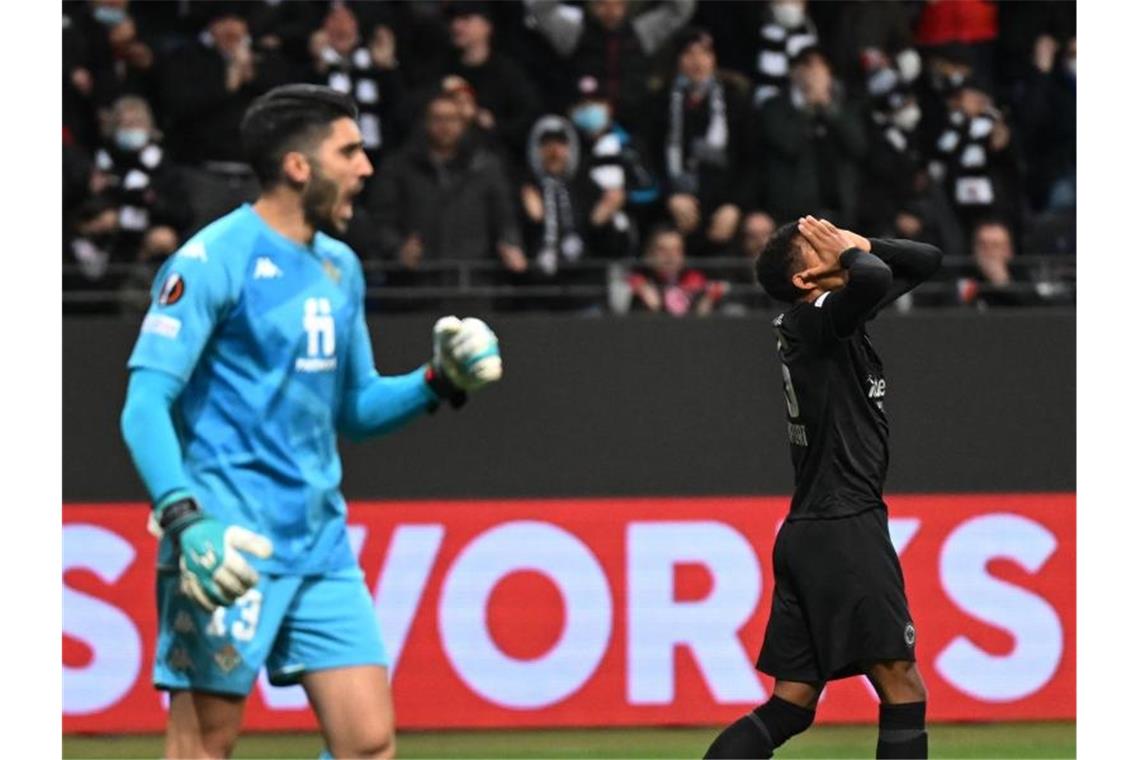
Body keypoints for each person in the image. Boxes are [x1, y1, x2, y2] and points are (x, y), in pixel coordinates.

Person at [118, 84, 503, 759]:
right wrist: (186, 523)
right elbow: (144, 403)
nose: (366, 167)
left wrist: (438, 381)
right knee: (203, 747)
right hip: (228, 544)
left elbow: (354, 411)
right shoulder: (213, 259)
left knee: (368, 745)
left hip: (321, 544)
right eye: (349, 150)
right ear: (299, 166)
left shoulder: (340, 267)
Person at [705, 216, 941, 759]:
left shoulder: (831, 317)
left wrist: (863, 244)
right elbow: (876, 278)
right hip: (844, 527)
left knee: (790, 706)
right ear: (807, 280)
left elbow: (925, 259)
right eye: (821, 242)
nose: (837, 238)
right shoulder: (817, 319)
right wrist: (860, 256)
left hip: (813, 529)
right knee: (903, 686)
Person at [654, 28, 751, 257]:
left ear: (714, 59)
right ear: (677, 59)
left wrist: (734, 206)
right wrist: (669, 197)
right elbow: (650, 159)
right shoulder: (659, 103)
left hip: (725, 212)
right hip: (672, 214)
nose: (697, 61)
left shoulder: (735, 101)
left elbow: (752, 160)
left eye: (704, 53)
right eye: (689, 53)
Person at [627, 224, 725, 317]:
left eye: (677, 250)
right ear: (649, 254)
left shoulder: (696, 278)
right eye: (662, 250)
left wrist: (706, 303)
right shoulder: (640, 280)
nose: (670, 256)